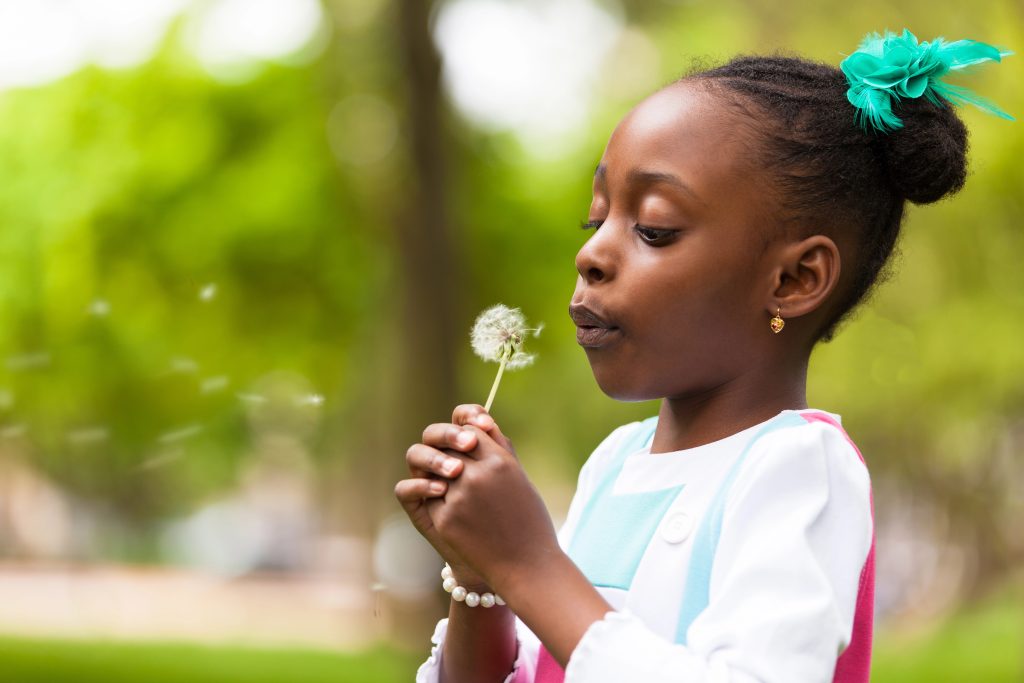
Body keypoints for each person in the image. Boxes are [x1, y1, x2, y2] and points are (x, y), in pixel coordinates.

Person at [395, 29, 1013, 683]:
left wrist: (529, 563)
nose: (591, 254)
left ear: (795, 280)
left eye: (653, 228)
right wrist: (482, 578)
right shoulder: (613, 465)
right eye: (596, 220)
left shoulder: (800, 468)